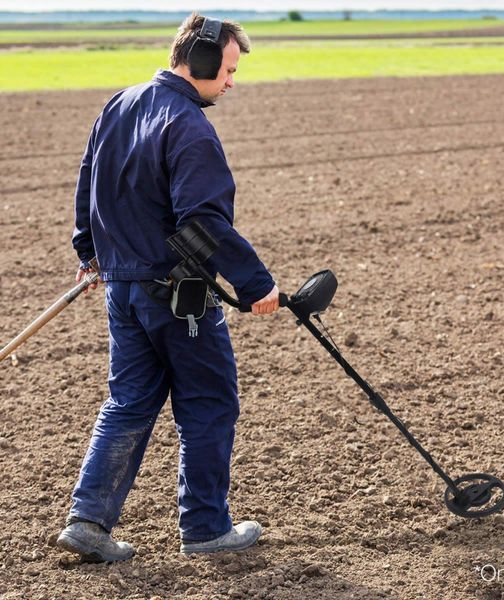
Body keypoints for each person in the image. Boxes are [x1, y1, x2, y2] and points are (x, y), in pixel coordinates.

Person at [57, 13, 279, 562]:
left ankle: (88, 521)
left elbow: (88, 185)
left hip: (121, 289)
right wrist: (256, 283)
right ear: (200, 60)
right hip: (177, 298)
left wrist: (89, 254)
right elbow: (202, 222)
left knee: (129, 402)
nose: (231, 81)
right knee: (208, 402)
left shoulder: (119, 104)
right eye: (226, 69)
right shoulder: (189, 126)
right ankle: (205, 528)